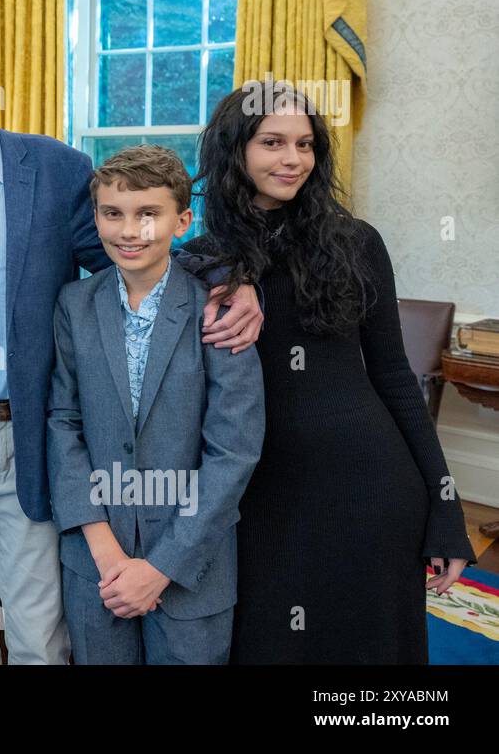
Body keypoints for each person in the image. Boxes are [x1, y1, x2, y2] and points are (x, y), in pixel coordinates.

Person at [0, 23, 263, 664]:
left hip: (34, 432)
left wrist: (231, 278)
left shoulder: (56, 172)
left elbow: (131, 253)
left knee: (38, 634)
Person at [185, 82, 474, 663]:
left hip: (369, 484)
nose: (292, 159)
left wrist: (445, 510)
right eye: (272, 142)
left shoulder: (357, 243)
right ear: (234, 149)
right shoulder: (203, 256)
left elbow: (395, 376)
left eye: (305, 144)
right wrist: (221, 269)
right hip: (259, 493)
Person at [47, 145, 265, 664]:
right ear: (95, 216)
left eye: (149, 214)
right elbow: (63, 422)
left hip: (192, 569)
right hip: (98, 567)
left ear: (182, 220)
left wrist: (160, 567)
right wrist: (106, 554)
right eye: (113, 213)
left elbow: (233, 451)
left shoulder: (219, 307)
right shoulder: (75, 305)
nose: (129, 231)